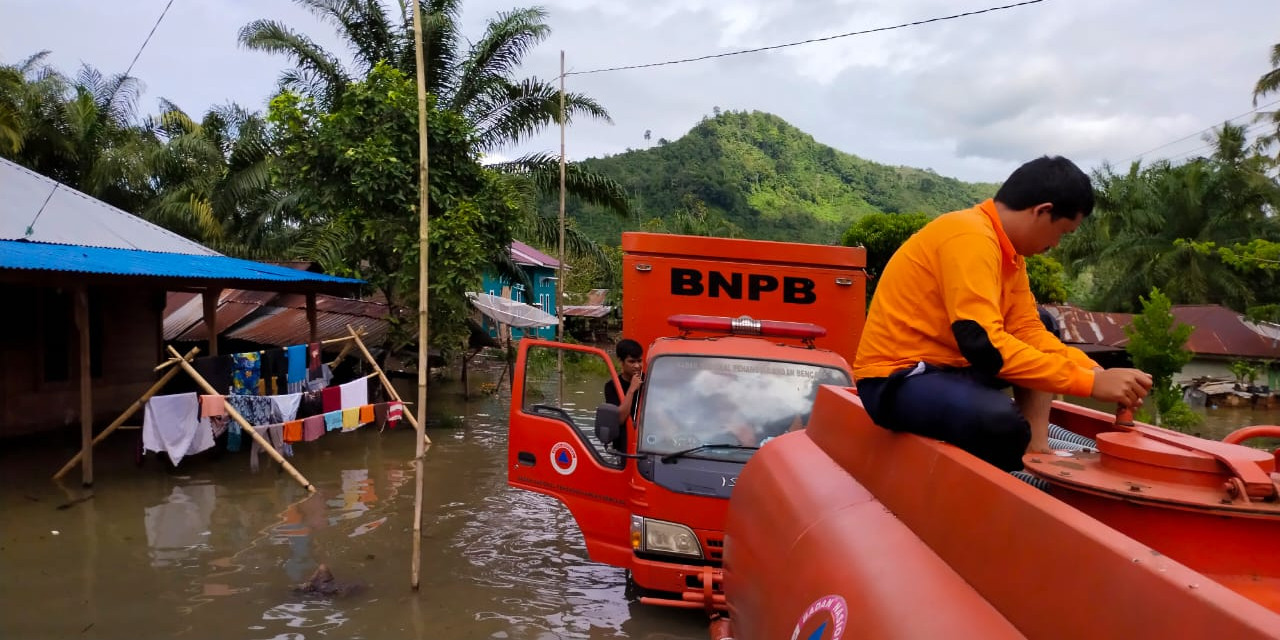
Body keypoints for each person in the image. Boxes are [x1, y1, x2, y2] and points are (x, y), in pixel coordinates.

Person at [852, 156, 1153, 472]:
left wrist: (1095, 373)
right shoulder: (969, 236)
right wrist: (1090, 385)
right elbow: (983, 346)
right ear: (1042, 211)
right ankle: (1011, 487)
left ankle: (1037, 445)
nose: (1055, 244)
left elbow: (1028, 332)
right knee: (999, 423)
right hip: (900, 379)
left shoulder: (1010, 255)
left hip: (955, 367)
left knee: (1044, 323)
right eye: (1062, 232)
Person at [603, 338, 644, 451]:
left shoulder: (648, 380)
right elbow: (619, 418)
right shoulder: (612, 386)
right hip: (623, 447)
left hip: (645, 444)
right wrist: (631, 390)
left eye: (639, 361)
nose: (637, 366)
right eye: (631, 361)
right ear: (621, 362)